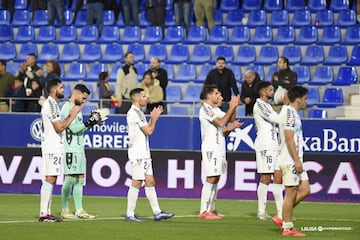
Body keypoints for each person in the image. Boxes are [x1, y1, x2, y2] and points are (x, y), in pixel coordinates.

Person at [125, 88, 174, 222]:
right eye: (143, 96)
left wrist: (151, 119)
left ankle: (157, 212)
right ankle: (129, 214)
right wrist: (154, 119)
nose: (146, 98)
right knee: (137, 181)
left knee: (150, 181)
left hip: (144, 153)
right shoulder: (134, 113)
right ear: (136, 98)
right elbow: (149, 131)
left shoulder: (139, 112)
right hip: (138, 153)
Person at [38, 78, 81, 222]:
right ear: (53, 89)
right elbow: (59, 127)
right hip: (52, 146)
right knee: (50, 178)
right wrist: (72, 116)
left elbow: (58, 125)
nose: (63, 90)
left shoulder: (52, 104)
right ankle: (44, 213)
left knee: (50, 178)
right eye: (61, 87)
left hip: (51, 145)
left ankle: (47, 212)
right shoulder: (51, 105)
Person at [198, 84, 243, 220]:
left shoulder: (215, 110)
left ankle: (211, 209)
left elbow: (229, 120)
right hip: (211, 147)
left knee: (216, 177)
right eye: (216, 93)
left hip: (219, 146)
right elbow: (222, 122)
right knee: (211, 177)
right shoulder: (206, 109)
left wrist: (234, 106)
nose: (219, 95)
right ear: (209, 96)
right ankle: (203, 211)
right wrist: (230, 108)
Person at [273, 86, 310, 237]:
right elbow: (289, 137)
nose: (306, 102)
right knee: (290, 193)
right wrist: (296, 161)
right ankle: (287, 227)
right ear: (298, 99)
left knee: (305, 190)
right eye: (305, 98)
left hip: (295, 159)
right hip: (290, 160)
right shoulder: (290, 113)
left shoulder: (293, 113)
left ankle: (282, 217)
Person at [60, 84, 101, 219]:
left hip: (79, 149)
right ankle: (65, 209)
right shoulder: (67, 108)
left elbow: (81, 130)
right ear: (76, 93)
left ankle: (79, 210)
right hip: (70, 149)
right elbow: (73, 129)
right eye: (83, 98)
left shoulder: (77, 109)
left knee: (79, 180)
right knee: (70, 179)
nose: (84, 101)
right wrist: (89, 122)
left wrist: (91, 123)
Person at [253, 81, 283, 221]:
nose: (272, 92)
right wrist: (288, 110)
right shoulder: (259, 105)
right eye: (270, 90)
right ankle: (261, 211)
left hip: (273, 144)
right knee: (266, 177)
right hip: (265, 145)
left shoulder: (268, 106)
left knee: (278, 176)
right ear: (263, 92)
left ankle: (281, 212)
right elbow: (275, 119)